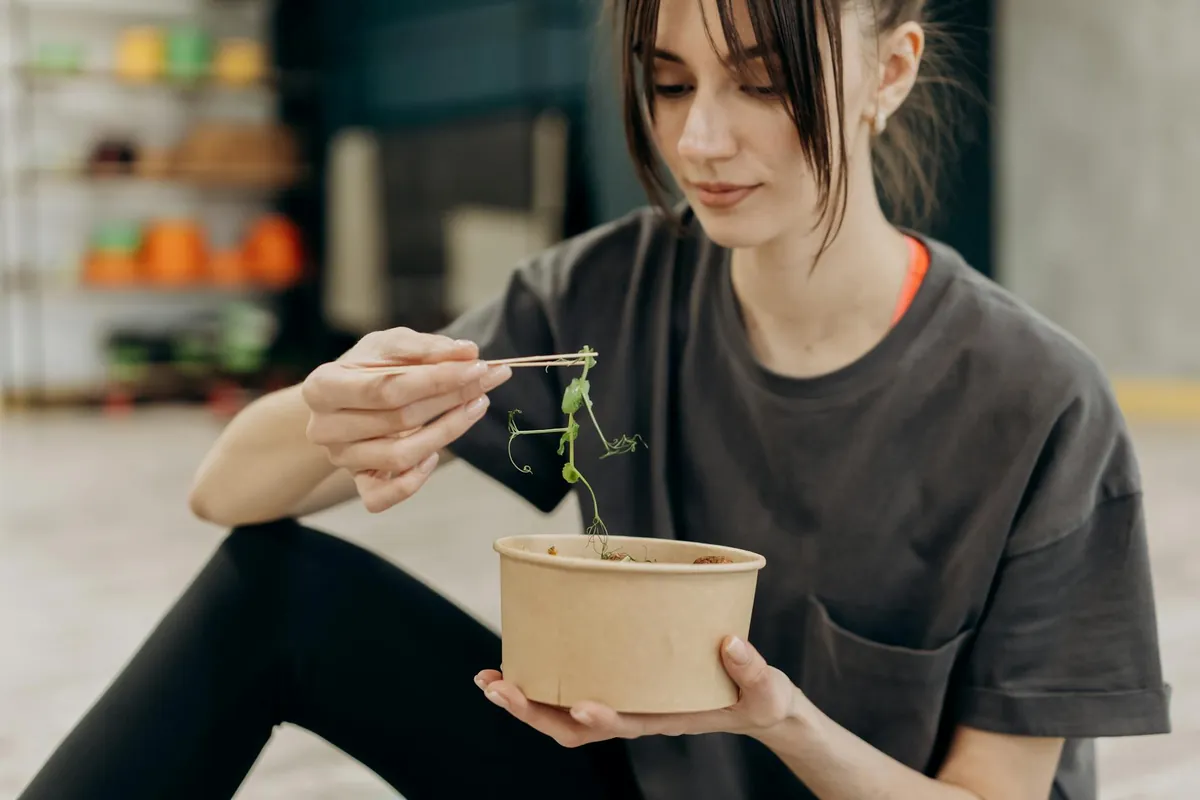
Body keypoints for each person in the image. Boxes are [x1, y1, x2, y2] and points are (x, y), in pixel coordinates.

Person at [17, 0, 1171, 798]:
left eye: (761, 85)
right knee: (273, 592)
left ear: (892, 71)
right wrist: (331, 410)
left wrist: (772, 718)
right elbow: (227, 495)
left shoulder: (1036, 406)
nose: (697, 139)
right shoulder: (608, 294)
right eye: (668, 84)